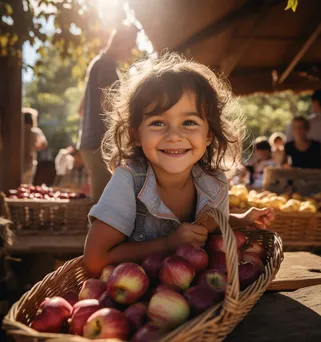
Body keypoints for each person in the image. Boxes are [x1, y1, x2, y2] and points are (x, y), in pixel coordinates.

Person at [83, 53, 275, 277]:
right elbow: (95, 261)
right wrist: (167, 245)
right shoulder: (128, 181)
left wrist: (239, 220)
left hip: (196, 296)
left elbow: (208, 231)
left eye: (189, 122)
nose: (174, 135)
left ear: (209, 134)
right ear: (136, 134)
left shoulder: (214, 183)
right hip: (133, 301)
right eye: (158, 123)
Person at [77, 22, 139, 203]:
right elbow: (111, 106)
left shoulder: (101, 63)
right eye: (131, 44)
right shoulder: (105, 66)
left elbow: (81, 108)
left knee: (105, 201)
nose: (132, 50)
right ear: (121, 41)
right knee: (104, 204)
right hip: (98, 144)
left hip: (93, 143)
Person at [22, 108, 48, 185]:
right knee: (27, 184)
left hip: (19, 161)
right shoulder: (35, 131)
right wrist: (33, 148)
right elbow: (43, 144)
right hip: (30, 161)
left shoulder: (18, 130)